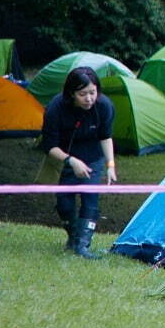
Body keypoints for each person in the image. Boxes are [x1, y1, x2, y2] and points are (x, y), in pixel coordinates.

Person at [39, 66, 116, 259]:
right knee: (64, 204)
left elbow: (105, 137)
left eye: (93, 92)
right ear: (71, 93)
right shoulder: (55, 108)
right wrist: (71, 161)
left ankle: (83, 247)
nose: (89, 99)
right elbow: (49, 146)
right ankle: (73, 238)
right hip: (64, 157)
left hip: (93, 157)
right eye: (83, 94)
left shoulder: (104, 106)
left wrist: (110, 165)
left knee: (90, 199)